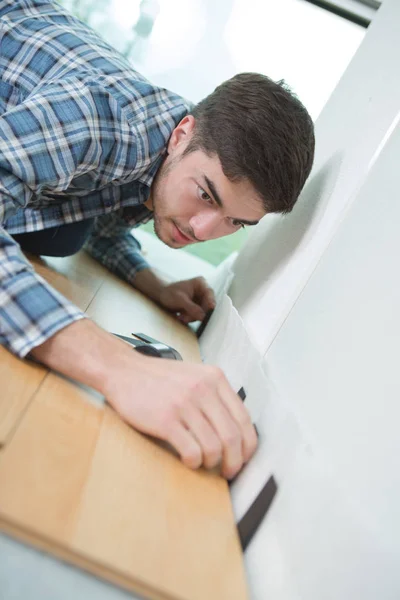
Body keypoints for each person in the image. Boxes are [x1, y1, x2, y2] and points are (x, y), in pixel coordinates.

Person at [0, 0, 315, 479]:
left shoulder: (162, 163)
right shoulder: (103, 120)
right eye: (206, 194)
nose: (204, 230)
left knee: (67, 233)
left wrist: (153, 284)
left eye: (236, 223)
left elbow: (98, 206)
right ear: (183, 133)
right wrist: (121, 368)